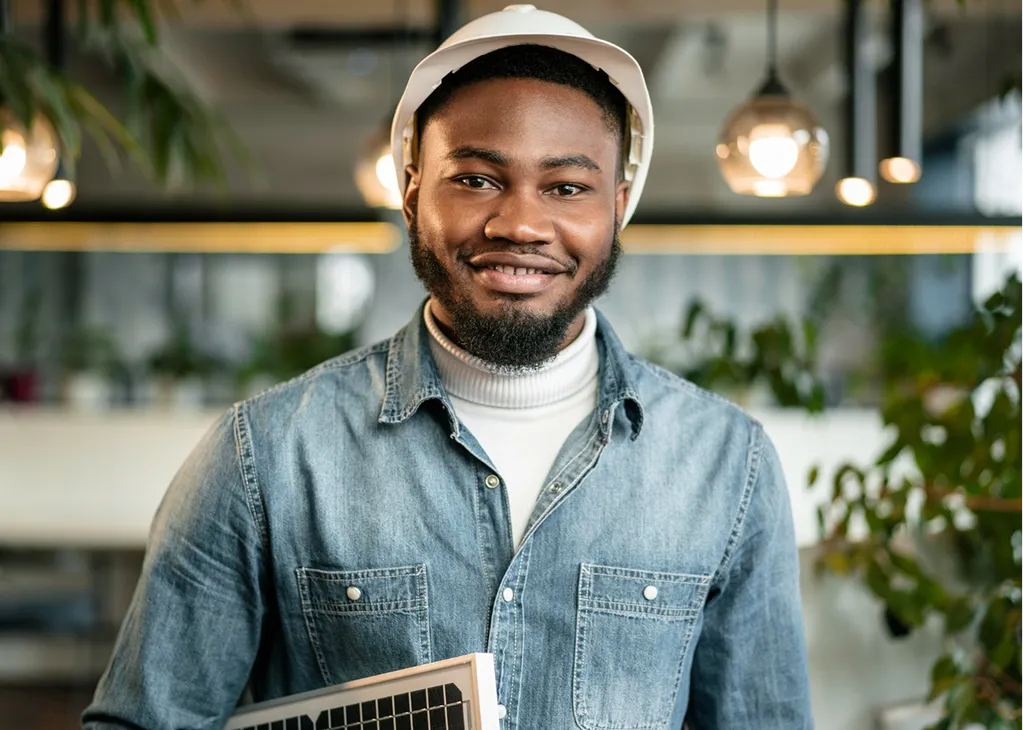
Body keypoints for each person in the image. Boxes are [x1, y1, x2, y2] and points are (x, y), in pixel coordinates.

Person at [83, 5, 813, 729]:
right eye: (476, 180)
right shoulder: (264, 455)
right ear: (410, 194)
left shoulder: (727, 463)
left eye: (566, 188)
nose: (519, 224)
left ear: (617, 206)